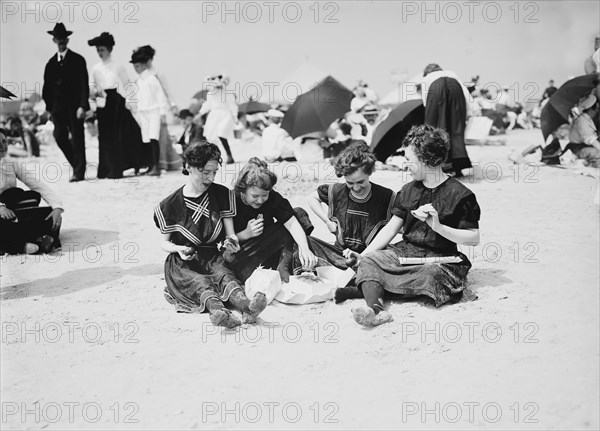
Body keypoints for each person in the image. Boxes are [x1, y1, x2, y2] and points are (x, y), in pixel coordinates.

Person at [344, 125, 481, 327]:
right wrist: (363, 256)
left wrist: (439, 227)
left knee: (431, 275)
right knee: (370, 261)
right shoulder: (408, 191)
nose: (405, 165)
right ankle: (376, 309)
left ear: (427, 159)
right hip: (406, 252)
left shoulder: (460, 194)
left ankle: (379, 286)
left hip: (440, 259)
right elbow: (391, 228)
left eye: (409, 160)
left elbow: (473, 238)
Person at [154, 142, 267, 328]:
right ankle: (219, 312)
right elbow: (163, 244)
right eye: (205, 172)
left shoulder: (222, 195)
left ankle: (248, 308)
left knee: (224, 275)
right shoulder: (170, 205)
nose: (210, 177)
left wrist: (231, 243)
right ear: (188, 167)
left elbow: (230, 235)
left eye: (214, 172)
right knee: (199, 282)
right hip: (182, 262)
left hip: (213, 256)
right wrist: (179, 249)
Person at [302, 143, 396, 299]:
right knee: (305, 242)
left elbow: (396, 226)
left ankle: (354, 289)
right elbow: (311, 198)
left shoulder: (387, 196)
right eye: (350, 183)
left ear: (369, 173)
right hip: (340, 256)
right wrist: (327, 221)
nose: (356, 188)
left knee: (382, 269)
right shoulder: (337, 191)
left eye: (361, 182)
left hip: (369, 258)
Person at [228, 157, 317, 282]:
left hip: (270, 248)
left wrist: (304, 247)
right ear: (243, 189)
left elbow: (291, 221)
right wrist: (245, 234)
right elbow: (222, 242)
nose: (260, 200)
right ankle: (285, 265)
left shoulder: (272, 198)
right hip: (246, 256)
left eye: (265, 195)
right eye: (255, 196)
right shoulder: (230, 201)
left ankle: (284, 266)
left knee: (299, 214)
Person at [88, 32, 144, 178]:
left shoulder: (117, 66)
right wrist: (94, 100)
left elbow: (128, 85)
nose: (100, 53)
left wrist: (131, 103)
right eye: (98, 50)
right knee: (104, 137)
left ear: (109, 50)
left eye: (103, 50)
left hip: (116, 104)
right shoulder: (95, 68)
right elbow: (92, 87)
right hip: (102, 104)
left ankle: (116, 169)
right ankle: (105, 169)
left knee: (118, 137)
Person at [0, 128, 63, 254]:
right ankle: (24, 245)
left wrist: (56, 207)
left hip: (12, 213)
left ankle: (32, 240)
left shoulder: (11, 164)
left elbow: (38, 185)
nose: (2, 146)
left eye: (4, 141)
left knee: (50, 216)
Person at [42, 23, 89, 182]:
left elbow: (84, 84)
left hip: (75, 107)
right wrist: (49, 109)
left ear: (67, 39)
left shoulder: (78, 60)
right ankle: (77, 164)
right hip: (58, 109)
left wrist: (83, 105)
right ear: (54, 40)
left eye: (63, 38)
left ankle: (79, 172)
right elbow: (46, 87)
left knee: (77, 138)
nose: (61, 41)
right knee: (59, 135)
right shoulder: (50, 64)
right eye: (58, 38)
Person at [421, 63, 472, 177]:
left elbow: (426, 101)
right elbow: (465, 93)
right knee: (456, 129)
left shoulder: (427, 78)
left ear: (426, 72)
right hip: (455, 89)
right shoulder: (451, 73)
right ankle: (458, 165)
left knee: (436, 129)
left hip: (436, 89)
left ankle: (441, 165)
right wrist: (468, 112)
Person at [136, 45, 181, 172]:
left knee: (160, 137)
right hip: (147, 110)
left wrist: (172, 106)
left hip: (160, 109)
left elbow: (166, 91)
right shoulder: (142, 77)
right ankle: (155, 163)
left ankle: (163, 164)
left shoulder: (157, 75)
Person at [129, 47, 168, 176]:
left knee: (153, 138)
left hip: (154, 112)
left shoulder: (152, 79)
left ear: (145, 65)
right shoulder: (138, 81)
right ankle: (149, 165)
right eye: (135, 66)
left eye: (138, 66)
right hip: (142, 113)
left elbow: (161, 96)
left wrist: (163, 114)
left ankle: (156, 166)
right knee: (145, 139)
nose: (136, 68)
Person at [199, 75, 238, 164]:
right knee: (211, 136)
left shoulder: (228, 93)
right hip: (214, 115)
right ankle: (213, 156)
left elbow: (232, 105)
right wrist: (200, 113)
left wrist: (235, 116)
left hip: (225, 114)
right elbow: (207, 105)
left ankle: (229, 155)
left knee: (222, 134)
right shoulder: (210, 93)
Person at [566, 94, 600, 168]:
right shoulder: (582, 121)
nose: (597, 110)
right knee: (597, 153)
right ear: (591, 109)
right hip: (577, 149)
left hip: (582, 148)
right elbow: (590, 139)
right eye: (596, 108)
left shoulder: (587, 119)